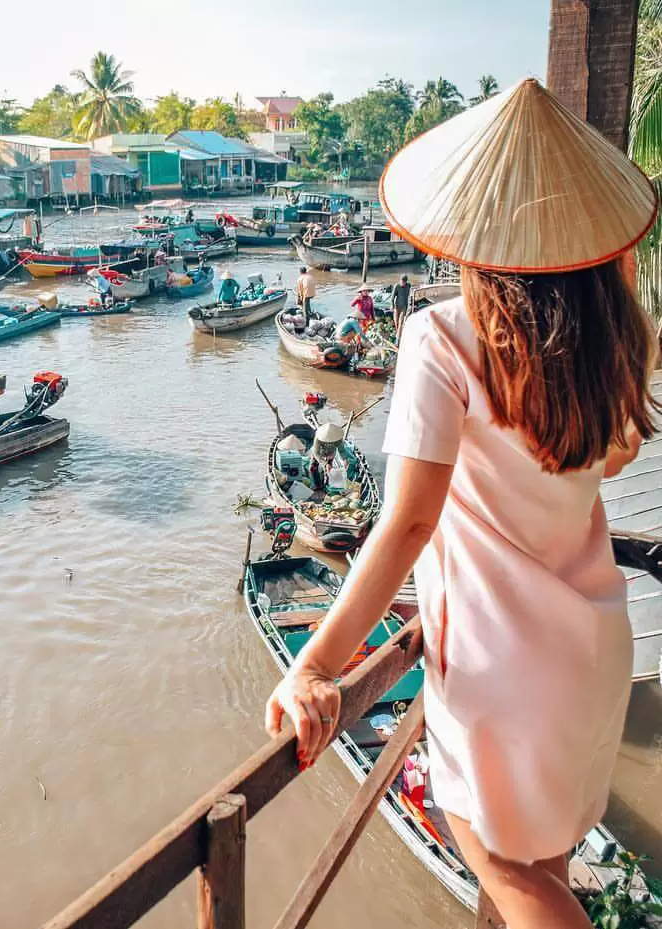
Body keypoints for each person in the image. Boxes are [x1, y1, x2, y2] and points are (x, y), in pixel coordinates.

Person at [264, 78, 659, 929]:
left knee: (508, 871)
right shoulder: (610, 339)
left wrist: (317, 664)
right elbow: (616, 449)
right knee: (540, 861)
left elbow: (407, 521)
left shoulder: (440, 337)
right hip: (593, 650)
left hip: (499, 668)